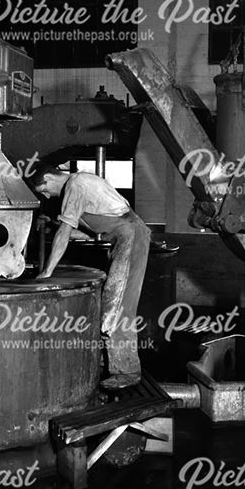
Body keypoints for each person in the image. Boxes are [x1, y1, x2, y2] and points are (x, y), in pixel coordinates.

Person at [28, 162, 150, 390]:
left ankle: (127, 371)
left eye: (43, 190)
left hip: (130, 238)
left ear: (48, 178)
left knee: (117, 306)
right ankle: (111, 361)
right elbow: (78, 229)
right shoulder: (81, 180)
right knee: (113, 304)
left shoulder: (75, 186)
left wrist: (46, 272)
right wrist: (54, 226)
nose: (46, 195)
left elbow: (65, 232)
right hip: (127, 237)